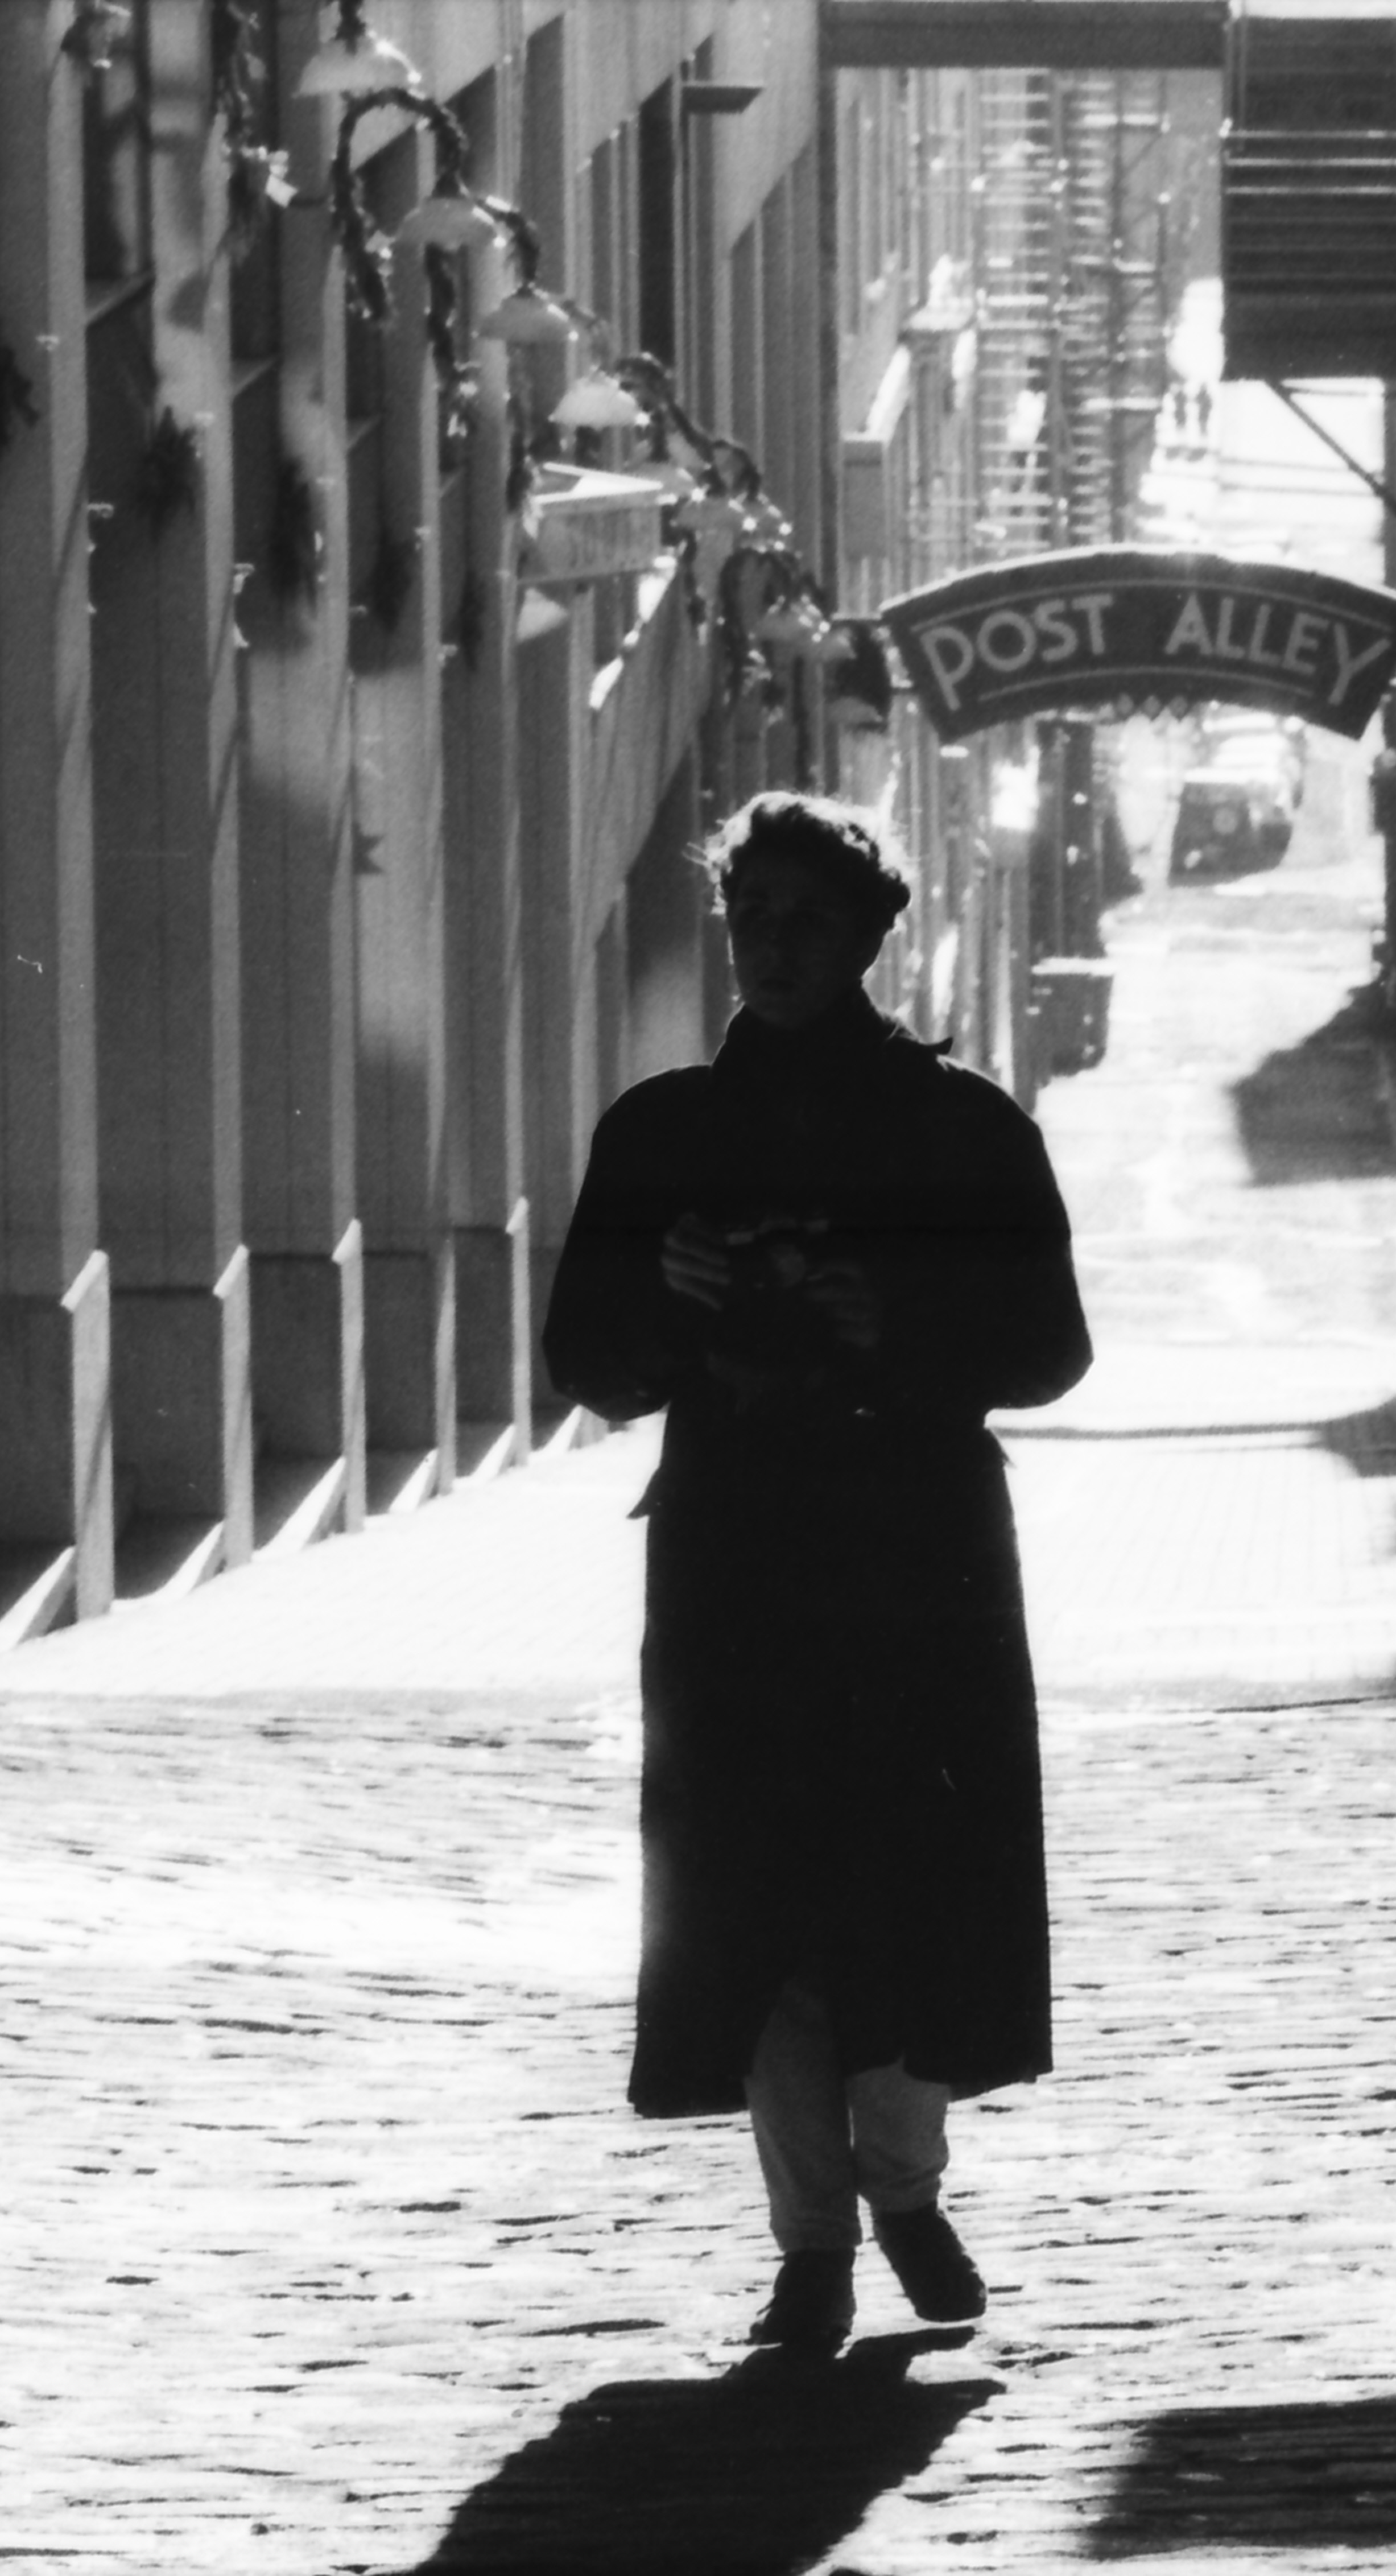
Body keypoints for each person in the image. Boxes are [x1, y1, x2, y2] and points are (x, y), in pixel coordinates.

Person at [542, 792, 1093, 2354]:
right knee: (756, 1911)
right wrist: (670, 1294)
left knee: (912, 1900)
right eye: (751, 916)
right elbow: (587, 1359)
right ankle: (810, 2245)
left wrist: (888, 1328)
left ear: (866, 936)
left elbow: (1051, 1346)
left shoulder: (965, 1127)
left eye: (806, 920)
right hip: (736, 1571)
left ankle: (905, 2190)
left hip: (917, 1564)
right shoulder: (661, 1135)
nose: (773, 946)